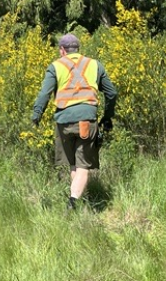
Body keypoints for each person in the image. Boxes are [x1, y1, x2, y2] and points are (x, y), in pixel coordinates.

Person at [31, 33, 118, 210]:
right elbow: (111, 93)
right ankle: (74, 202)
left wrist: (36, 115)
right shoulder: (94, 64)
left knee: (73, 165)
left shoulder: (55, 66)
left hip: (64, 122)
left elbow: (44, 94)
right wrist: (107, 117)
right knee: (83, 165)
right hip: (87, 121)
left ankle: (76, 202)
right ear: (77, 49)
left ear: (62, 50)